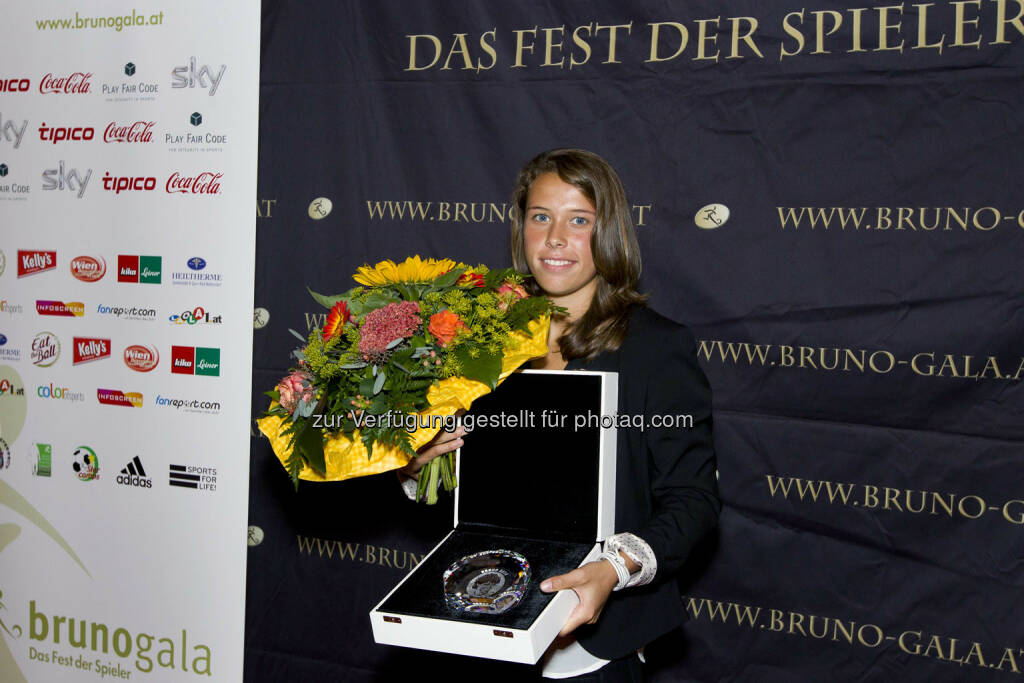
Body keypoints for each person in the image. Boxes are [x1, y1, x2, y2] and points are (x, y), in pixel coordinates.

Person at [400, 148, 721, 681]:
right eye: (540, 217)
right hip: (479, 621)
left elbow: (693, 499)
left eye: (579, 220)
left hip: (592, 648)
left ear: (609, 232)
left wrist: (613, 569)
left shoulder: (656, 348)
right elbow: (476, 494)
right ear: (521, 226)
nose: (555, 238)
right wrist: (420, 470)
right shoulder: (477, 337)